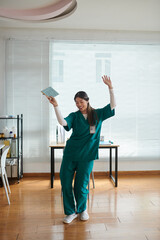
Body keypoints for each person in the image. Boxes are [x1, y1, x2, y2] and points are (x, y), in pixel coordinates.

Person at [47, 75, 116, 224]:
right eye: (76, 102)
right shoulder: (74, 116)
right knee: (65, 183)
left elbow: (112, 106)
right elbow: (63, 122)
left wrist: (110, 88)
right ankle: (70, 212)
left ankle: (82, 210)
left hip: (87, 155)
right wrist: (56, 106)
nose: (79, 104)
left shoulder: (97, 114)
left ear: (87, 100)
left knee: (81, 185)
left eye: (81, 101)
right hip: (71, 153)